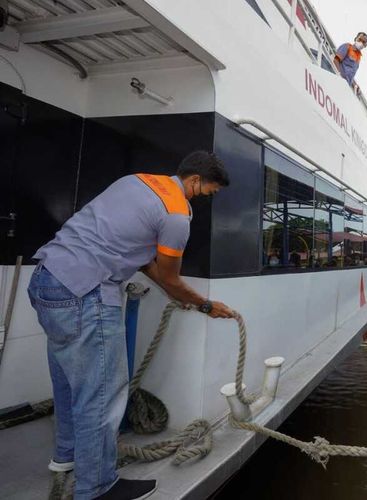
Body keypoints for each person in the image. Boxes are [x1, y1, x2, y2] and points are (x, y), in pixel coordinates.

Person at [27, 151, 235, 500]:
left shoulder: (136, 182)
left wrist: (178, 294)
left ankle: (66, 456)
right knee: (101, 394)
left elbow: (137, 257)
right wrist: (206, 305)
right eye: (210, 190)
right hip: (86, 293)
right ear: (196, 180)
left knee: (67, 380)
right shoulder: (177, 214)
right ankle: (96, 488)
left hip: (47, 279)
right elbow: (169, 278)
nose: (208, 196)